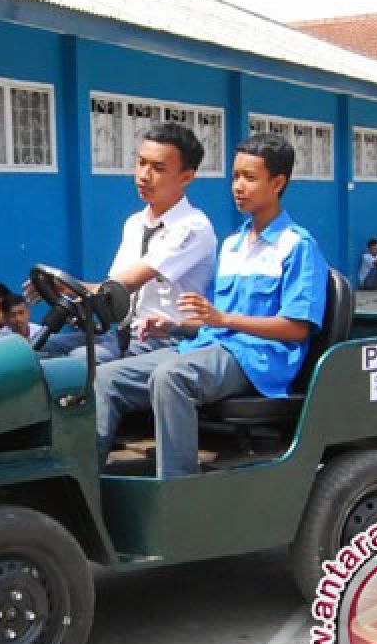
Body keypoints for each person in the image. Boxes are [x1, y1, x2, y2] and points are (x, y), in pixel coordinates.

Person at [95, 132, 328, 477]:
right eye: (235, 176)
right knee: (105, 377)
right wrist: (174, 325)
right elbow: (210, 321)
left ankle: (178, 489)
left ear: (277, 183)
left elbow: (296, 329)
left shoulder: (297, 246)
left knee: (172, 377)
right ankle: (87, 485)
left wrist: (224, 319)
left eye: (250, 178)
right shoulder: (233, 245)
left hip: (259, 359)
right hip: (212, 345)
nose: (238, 186)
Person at [36, 122, 218, 362]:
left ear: (186, 177)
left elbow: (121, 287)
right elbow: (111, 289)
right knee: (36, 349)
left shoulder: (193, 227)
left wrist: (69, 286)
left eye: (158, 168)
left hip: (168, 340)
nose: (144, 176)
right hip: (125, 335)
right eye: (141, 163)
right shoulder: (135, 223)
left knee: (80, 362)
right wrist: (62, 287)